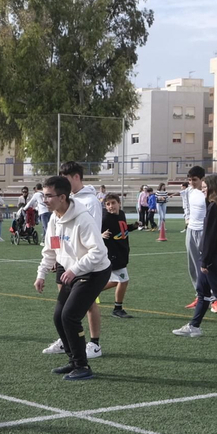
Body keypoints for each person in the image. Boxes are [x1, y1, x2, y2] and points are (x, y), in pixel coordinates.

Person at [34, 175, 110, 380]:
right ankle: (74, 361)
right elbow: (51, 250)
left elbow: (98, 252)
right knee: (59, 317)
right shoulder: (54, 219)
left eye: (48, 196)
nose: (44, 200)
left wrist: (75, 269)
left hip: (94, 272)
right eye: (43, 195)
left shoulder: (83, 219)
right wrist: (41, 274)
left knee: (70, 316)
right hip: (73, 272)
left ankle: (83, 367)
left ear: (63, 197)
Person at [43, 162, 104, 357]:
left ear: (76, 177)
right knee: (64, 309)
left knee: (86, 304)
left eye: (65, 177)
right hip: (65, 260)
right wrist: (56, 258)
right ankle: (68, 341)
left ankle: (94, 343)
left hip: (86, 263)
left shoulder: (89, 202)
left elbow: (94, 237)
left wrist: (77, 265)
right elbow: (53, 239)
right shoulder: (57, 208)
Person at [174, 173, 217, 337]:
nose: (203, 190)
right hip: (216, 256)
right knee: (203, 293)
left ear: (213, 188)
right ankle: (194, 325)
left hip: (213, 258)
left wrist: (205, 261)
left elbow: (210, 236)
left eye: (206, 188)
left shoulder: (215, 207)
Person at [99, 193, 133, 319]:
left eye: (113, 203)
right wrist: (100, 235)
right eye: (108, 204)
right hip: (112, 254)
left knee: (116, 281)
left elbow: (122, 230)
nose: (111, 206)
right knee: (123, 280)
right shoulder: (105, 218)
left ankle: (89, 291)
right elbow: (91, 231)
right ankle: (117, 309)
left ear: (119, 203)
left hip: (122, 251)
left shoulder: (122, 214)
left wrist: (133, 227)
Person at [182, 166, 208, 308]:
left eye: (195, 180)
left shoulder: (208, 192)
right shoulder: (187, 192)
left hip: (205, 231)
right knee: (193, 265)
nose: (191, 182)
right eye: (190, 180)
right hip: (191, 230)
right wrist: (187, 218)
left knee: (207, 264)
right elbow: (186, 206)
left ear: (202, 179)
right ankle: (199, 295)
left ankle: (214, 296)